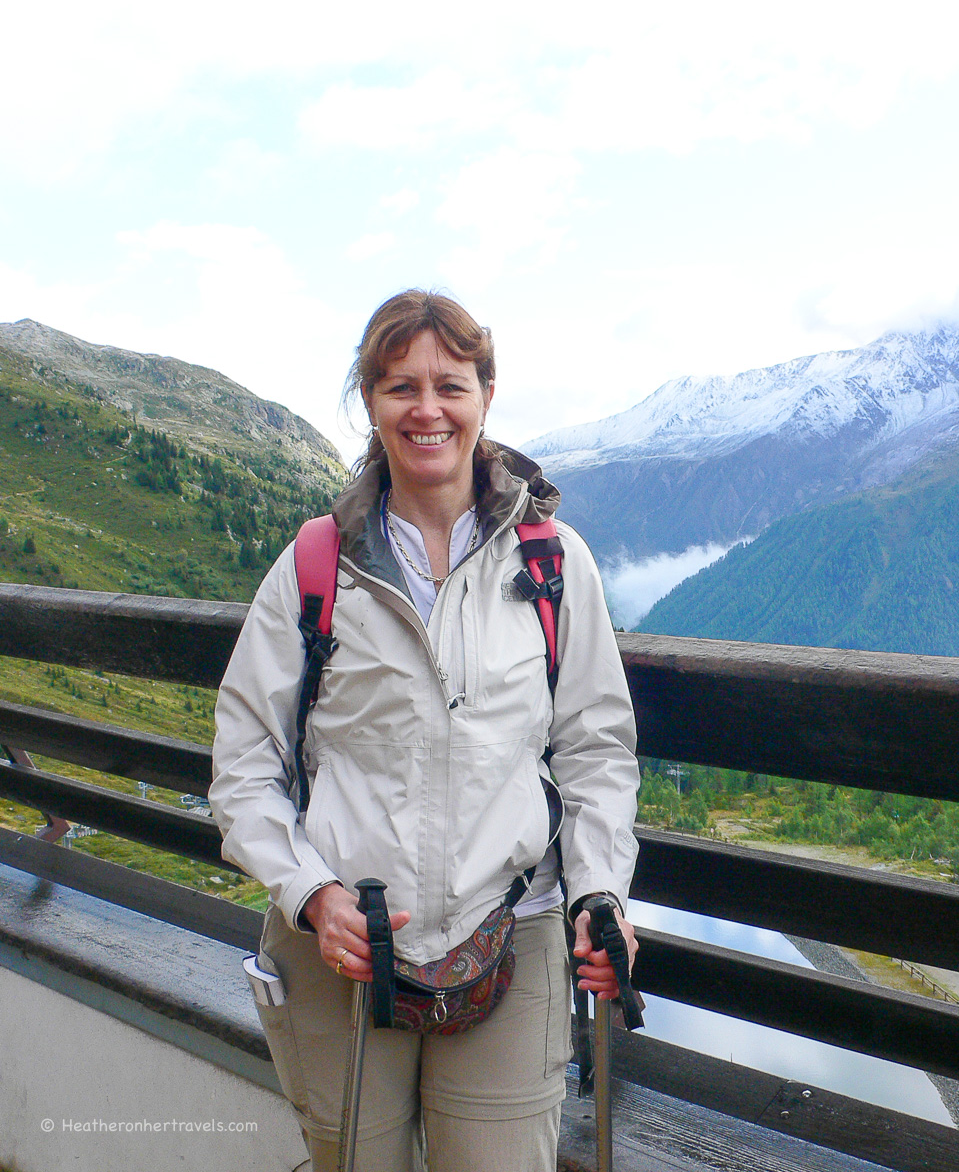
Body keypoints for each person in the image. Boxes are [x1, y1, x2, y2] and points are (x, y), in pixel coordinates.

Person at [210, 289, 639, 1172]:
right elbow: (244, 764)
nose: (428, 408)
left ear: (486, 395)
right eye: (400, 385)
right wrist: (309, 893)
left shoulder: (554, 564)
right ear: (370, 404)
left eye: (451, 383)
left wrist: (602, 893)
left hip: (514, 930)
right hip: (344, 946)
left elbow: (596, 750)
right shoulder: (315, 566)